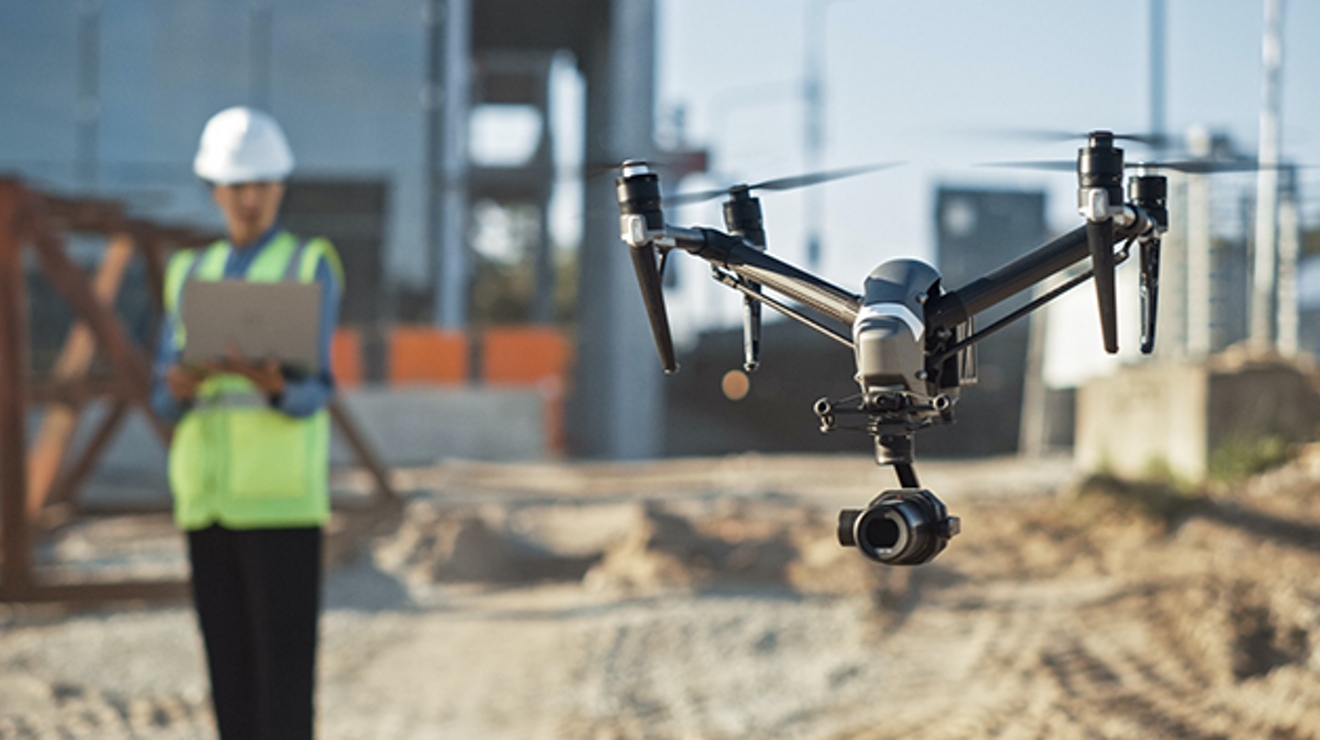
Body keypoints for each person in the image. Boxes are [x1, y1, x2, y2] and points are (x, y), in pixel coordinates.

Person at [151, 106, 343, 740]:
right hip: (206, 502)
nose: (250, 198)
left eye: (261, 183)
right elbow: (160, 395)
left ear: (280, 186)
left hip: (281, 502)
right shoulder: (187, 272)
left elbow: (318, 390)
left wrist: (275, 385)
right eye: (237, 185)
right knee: (228, 680)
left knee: (283, 687)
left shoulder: (309, 262)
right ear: (215, 189)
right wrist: (178, 386)